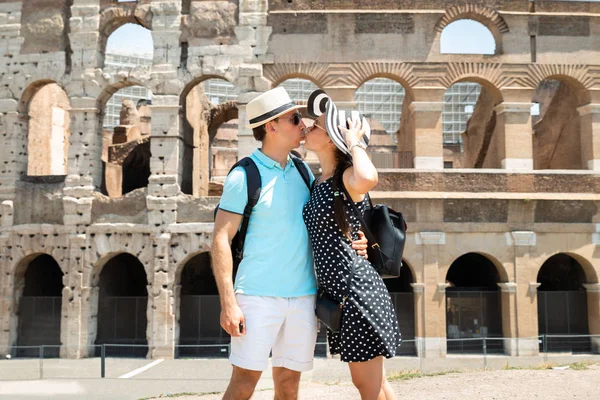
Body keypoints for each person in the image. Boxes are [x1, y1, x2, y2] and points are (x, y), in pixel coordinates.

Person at [211, 87, 368, 400]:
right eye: (295, 118)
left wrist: (354, 238)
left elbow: (323, 219)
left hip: (303, 298)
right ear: (271, 127)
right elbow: (220, 239)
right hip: (256, 296)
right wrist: (228, 303)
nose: (304, 124)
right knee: (243, 385)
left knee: (288, 388)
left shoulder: (302, 171)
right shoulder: (244, 175)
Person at [302, 89, 401, 400]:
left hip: (356, 292)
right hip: (343, 295)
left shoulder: (347, 179)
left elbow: (369, 178)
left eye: (315, 125)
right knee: (377, 386)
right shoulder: (320, 181)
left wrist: (355, 140)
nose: (307, 127)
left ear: (332, 138)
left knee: (368, 389)